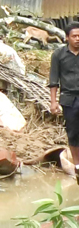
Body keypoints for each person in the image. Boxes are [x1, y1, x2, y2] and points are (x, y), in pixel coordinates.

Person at [49, 22, 79, 183]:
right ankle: (77, 165)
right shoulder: (59, 55)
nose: (78, 39)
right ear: (67, 38)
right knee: (73, 133)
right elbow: (54, 80)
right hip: (68, 99)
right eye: (74, 36)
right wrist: (53, 102)